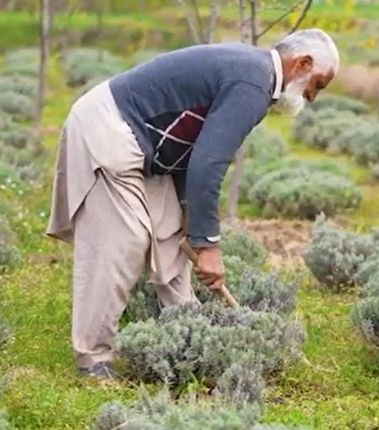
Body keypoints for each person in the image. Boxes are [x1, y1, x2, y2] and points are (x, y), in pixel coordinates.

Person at [46, 29, 339, 379]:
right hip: (110, 127)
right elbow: (209, 162)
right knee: (121, 242)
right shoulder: (253, 83)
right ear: (303, 63)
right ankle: (93, 359)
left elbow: (193, 147)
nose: (314, 96)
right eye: (318, 84)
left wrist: (188, 212)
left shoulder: (256, 74)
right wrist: (208, 246)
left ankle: (188, 332)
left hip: (147, 146)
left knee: (172, 233)